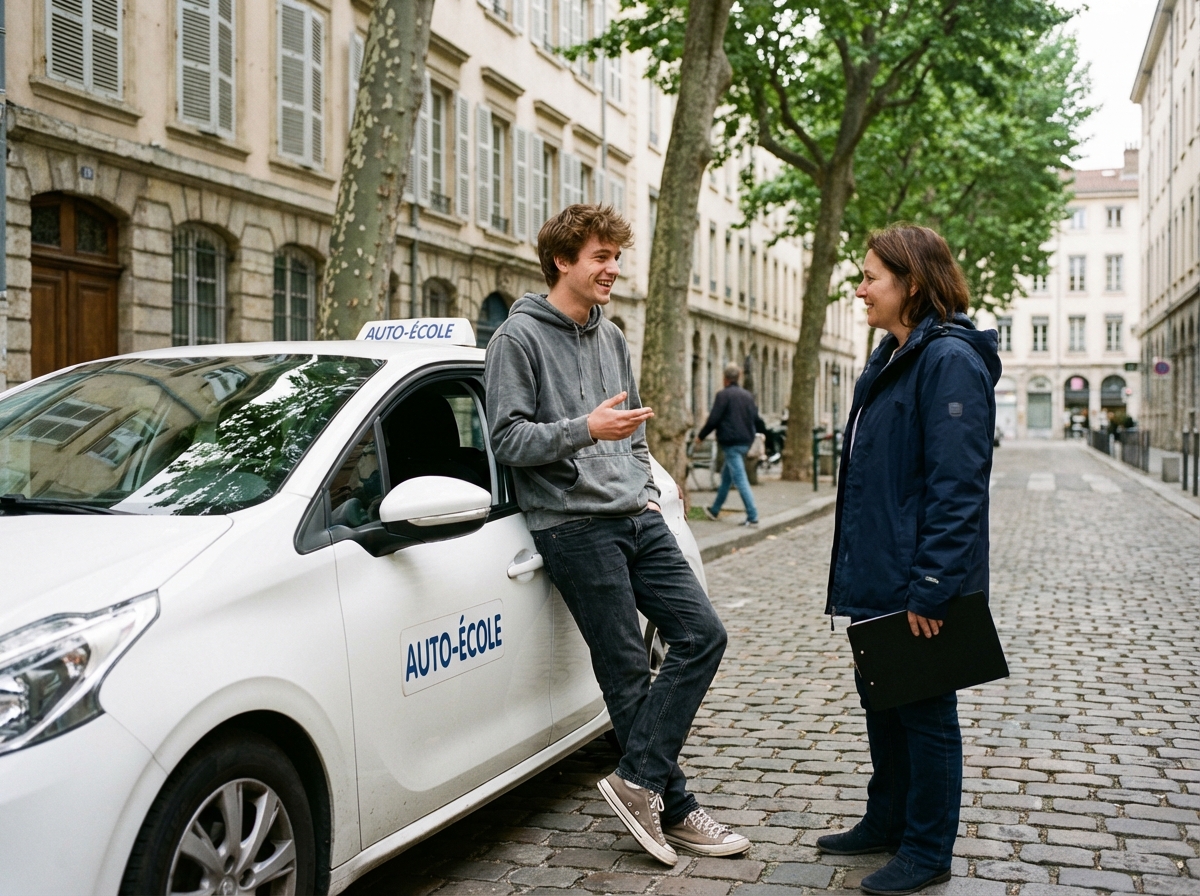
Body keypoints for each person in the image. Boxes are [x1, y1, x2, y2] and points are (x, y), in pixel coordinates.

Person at [485, 204, 750, 866]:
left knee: (703, 634)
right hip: (572, 523)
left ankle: (638, 782)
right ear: (562, 261)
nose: (612, 270)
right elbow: (506, 439)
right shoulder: (516, 339)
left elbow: (632, 429)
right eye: (601, 257)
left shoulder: (613, 336)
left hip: (636, 514)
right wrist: (585, 430)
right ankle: (676, 808)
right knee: (627, 666)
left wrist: (646, 487)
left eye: (616, 258)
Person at [818, 224, 1000, 895]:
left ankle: (927, 848)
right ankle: (887, 818)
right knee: (884, 701)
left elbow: (958, 484)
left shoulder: (947, 359)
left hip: (917, 574)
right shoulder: (893, 353)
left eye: (871, 277)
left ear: (913, 284)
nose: (860, 288)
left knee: (925, 713)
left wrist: (933, 583)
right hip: (879, 567)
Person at [695, 364, 766, 526]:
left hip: (730, 442)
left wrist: (701, 436)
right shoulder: (747, 396)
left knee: (740, 479)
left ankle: (753, 516)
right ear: (738, 377)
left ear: (725, 379)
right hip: (745, 441)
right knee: (726, 477)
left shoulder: (723, 395)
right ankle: (714, 510)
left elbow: (713, 419)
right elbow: (756, 418)